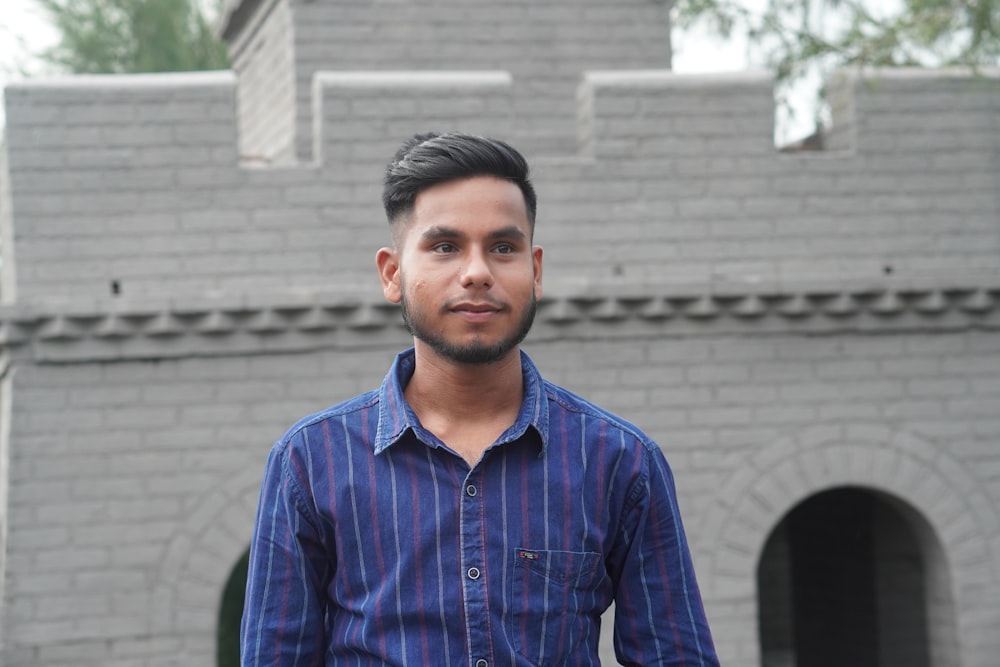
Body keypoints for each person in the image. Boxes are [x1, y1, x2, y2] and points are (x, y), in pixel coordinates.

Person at [241, 132, 719, 666]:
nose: (476, 272)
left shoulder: (619, 461)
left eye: (503, 247)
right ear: (393, 274)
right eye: (444, 246)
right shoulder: (311, 462)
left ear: (535, 271)